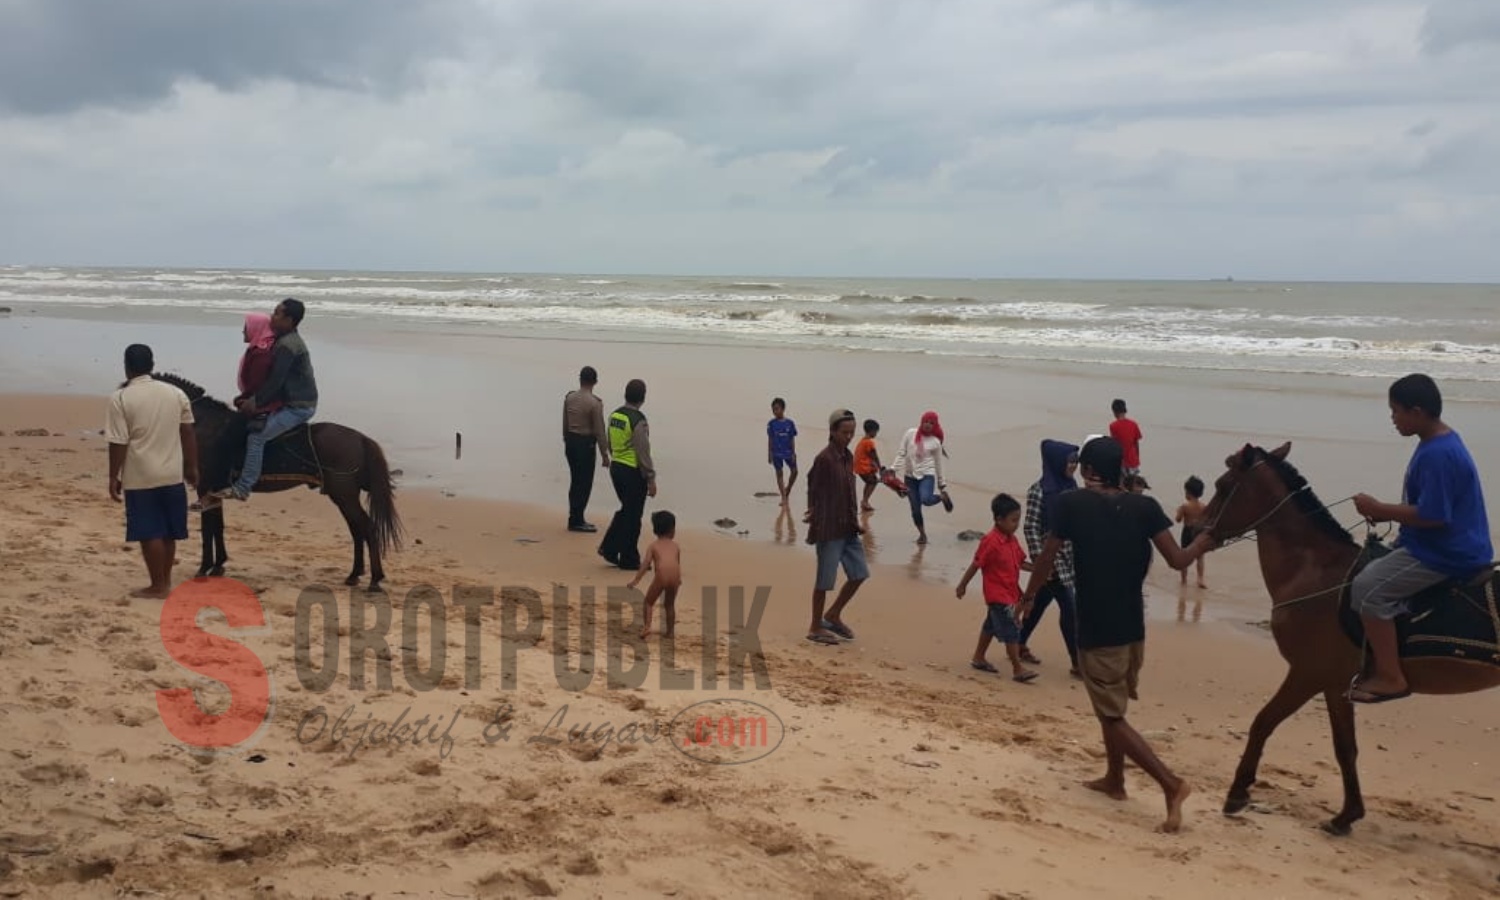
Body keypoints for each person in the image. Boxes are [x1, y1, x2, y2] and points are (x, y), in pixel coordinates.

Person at [1022, 436, 1213, 833]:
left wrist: (1029, 595)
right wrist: (1210, 538)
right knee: (1109, 706)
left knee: (1111, 716)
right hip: (1133, 629)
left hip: (1097, 627)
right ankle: (1115, 780)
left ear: (1090, 471)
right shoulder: (1145, 507)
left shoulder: (1070, 504)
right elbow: (1178, 558)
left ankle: (1171, 784)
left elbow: (1047, 556)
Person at [1348, 374, 1493, 705]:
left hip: (1446, 552)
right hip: (1443, 542)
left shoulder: (1437, 454)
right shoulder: (1437, 442)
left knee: (1367, 590)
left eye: (1396, 411)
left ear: (1416, 411)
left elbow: (1434, 515)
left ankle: (1391, 675)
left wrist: (1380, 509)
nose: (1393, 419)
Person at [106, 344, 199, 599]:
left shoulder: (121, 398)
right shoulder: (175, 393)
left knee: (149, 532)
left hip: (141, 473)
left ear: (126, 367)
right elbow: (188, 431)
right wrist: (192, 467)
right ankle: (164, 581)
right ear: (152, 365)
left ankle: (158, 585)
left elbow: (118, 441)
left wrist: (113, 475)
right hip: (172, 472)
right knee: (169, 531)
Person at [212, 298, 317, 501]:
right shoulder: (281, 340)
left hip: (298, 407)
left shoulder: (288, 345)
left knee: (256, 437)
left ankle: (243, 487)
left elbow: (275, 382)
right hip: (288, 401)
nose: (272, 316)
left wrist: (255, 402)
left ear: (289, 320)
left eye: (277, 313)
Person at [957, 494, 1037, 683]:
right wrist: (962, 585)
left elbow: (1021, 563)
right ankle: (1018, 668)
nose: (1016, 524)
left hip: (1011, 592)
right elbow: (976, 564)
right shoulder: (990, 541)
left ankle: (978, 657)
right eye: (1013, 520)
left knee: (990, 626)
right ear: (999, 519)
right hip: (998, 595)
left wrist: (1038, 569)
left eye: (1018, 520)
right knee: (1011, 630)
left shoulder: (1012, 540)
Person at [805, 409, 868, 645]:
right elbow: (812, 485)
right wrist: (813, 512)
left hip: (849, 527)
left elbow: (850, 491)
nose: (849, 436)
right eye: (844, 432)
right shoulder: (824, 459)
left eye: (852, 432)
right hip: (829, 530)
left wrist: (857, 521)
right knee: (824, 581)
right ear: (832, 432)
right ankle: (814, 627)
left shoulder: (848, 456)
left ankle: (832, 615)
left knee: (859, 574)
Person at [1018, 439, 1080, 675]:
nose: (1074, 466)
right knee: (1070, 609)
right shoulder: (1039, 491)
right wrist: (1040, 562)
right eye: (1070, 461)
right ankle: (1077, 662)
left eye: (1076, 461)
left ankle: (1018, 641)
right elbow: (1030, 527)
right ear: (1056, 462)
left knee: (1039, 601)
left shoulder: (1072, 487)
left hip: (1069, 559)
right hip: (1050, 562)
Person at [598, 379, 656, 570]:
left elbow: (609, 441)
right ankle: (628, 558)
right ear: (643, 397)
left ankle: (610, 548)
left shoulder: (615, 415)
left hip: (617, 468)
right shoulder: (638, 420)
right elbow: (643, 450)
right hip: (632, 471)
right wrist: (650, 477)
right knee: (633, 516)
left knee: (627, 511)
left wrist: (613, 458)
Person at [890, 411, 953, 544]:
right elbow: (902, 453)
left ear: (935, 425)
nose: (928, 425)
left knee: (926, 499)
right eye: (926, 422)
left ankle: (942, 497)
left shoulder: (935, 442)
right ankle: (922, 535)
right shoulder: (910, 433)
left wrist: (942, 483)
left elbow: (938, 464)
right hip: (910, 477)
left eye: (931, 423)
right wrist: (893, 469)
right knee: (915, 509)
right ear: (921, 421)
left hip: (927, 476)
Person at [563, 366, 610, 533]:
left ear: (580, 379)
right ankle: (577, 520)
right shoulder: (594, 403)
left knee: (575, 480)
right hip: (585, 444)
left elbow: (565, 422)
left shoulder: (569, 397)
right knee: (584, 483)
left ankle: (574, 516)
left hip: (571, 442)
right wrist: (605, 454)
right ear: (595, 382)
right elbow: (599, 430)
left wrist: (566, 441)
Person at [628, 510, 682, 639]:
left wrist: (636, 580)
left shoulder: (653, 546)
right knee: (669, 605)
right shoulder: (676, 546)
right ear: (672, 530)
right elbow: (677, 563)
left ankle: (647, 627)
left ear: (655, 530)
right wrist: (678, 580)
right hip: (675, 576)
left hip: (662, 575)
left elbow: (646, 564)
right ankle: (670, 632)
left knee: (648, 602)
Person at [1175, 476, 1209, 588]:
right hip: (1198, 532)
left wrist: (1178, 512)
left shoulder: (1185, 506)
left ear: (1188, 492)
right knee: (1200, 557)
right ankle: (1200, 579)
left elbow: (1178, 519)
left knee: (1184, 556)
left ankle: (1184, 580)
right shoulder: (1204, 506)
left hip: (1187, 532)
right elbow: (1206, 521)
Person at [767, 398, 799, 505]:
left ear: (783, 409)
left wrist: (794, 453)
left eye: (777, 409)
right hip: (776, 452)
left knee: (794, 471)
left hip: (788, 452)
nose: (775, 412)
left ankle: (788, 488)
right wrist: (770, 453)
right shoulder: (771, 424)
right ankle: (783, 497)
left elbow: (792, 438)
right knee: (779, 474)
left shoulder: (790, 423)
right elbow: (770, 439)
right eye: (773, 410)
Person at [1109, 399, 1143, 478]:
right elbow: (1136, 444)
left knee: (1122, 485)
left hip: (1122, 461)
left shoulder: (1113, 426)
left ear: (1114, 411)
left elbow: (1115, 445)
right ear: (1125, 410)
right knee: (1132, 485)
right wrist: (1137, 458)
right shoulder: (1133, 424)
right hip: (1133, 460)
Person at [853, 419, 882, 512]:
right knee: (873, 482)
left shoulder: (862, 441)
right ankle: (865, 501)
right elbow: (873, 455)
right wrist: (880, 467)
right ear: (872, 431)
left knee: (870, 482)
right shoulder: (869, 442)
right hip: (863, 467)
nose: (876, 434)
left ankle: (865, 501)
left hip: (858, 466)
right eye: (876, 432)